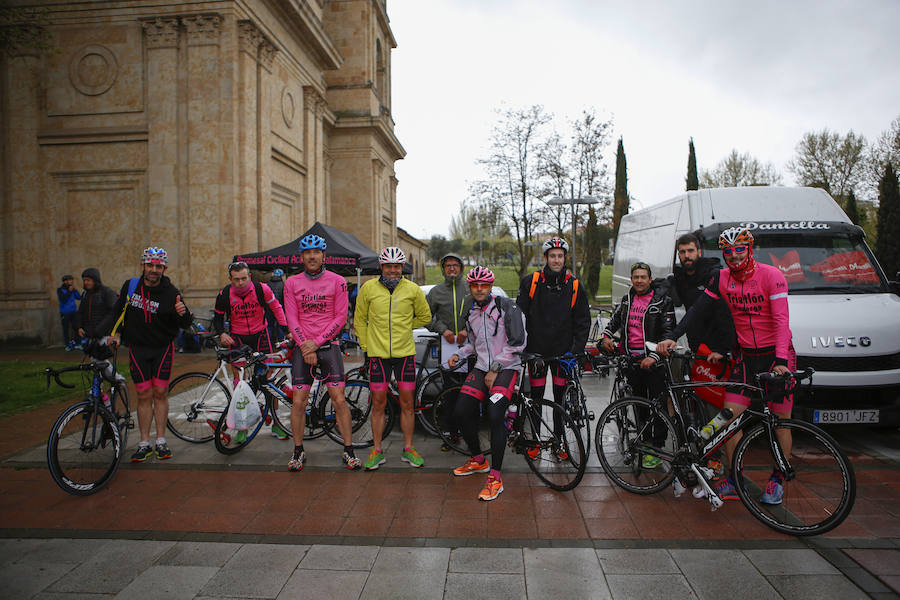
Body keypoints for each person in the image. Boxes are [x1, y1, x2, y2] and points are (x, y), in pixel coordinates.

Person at [658, 226, 795, 504]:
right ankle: (733, 478)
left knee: (780, 422)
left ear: (749, 249)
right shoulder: (721, 279)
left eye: (739, 250)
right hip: (746, 357)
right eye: (728, 252)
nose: (733, 256)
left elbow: (782, 321)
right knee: (727, 419)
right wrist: (672, 337)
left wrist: (781, 360)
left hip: (777, 356)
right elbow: (697, 311)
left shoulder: (772, 276)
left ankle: (778, 478)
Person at [104, 247, 192, 462]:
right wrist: (114, 334)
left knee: (160, 393)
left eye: (158, 266)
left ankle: (161, 441)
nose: (154, 270)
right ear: (143, 265)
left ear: (164, 268)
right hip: (138, 348)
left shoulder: (171, 292)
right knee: (143, 395)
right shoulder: (131, 286)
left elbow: (185, 323)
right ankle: (144, 442)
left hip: (163, 348)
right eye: (150, 265)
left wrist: (184, 313)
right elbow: (118, 312)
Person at [448, 267, 527, 501]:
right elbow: (475, 345)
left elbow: (518, 345)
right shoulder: (471, 312)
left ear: (491, 286)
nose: (480, 289)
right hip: (482, 367)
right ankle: (479, 460)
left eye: (484, 285)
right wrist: (460, 354)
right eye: (475, 285)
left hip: (507, 367)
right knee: (461, 412)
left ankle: (495, 477)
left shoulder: (507, 308)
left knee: (494, 415)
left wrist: (496, 368)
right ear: (470, 288)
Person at [282, 234, 360, 471]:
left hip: (328, 347)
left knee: (339, 400)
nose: (312, 256)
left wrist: (316, 343)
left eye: (316, 252)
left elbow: (340, 317)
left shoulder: (337, 281)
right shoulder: (291, 283)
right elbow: (291, 317)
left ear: (324, 256)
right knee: (298, 402)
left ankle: (349, 450)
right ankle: (298, 451)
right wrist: (306, 345)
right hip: (302, 347)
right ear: (302, 257)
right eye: (308, 253)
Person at [355, 246, 431, 470]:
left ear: (402, 267)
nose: (392, 270)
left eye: (397, 266)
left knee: (407, 403)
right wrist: (367, 345)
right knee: (378, 403)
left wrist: (405, 327)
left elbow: (425, 316)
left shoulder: (413, 289)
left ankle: (408, 448)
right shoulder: (368, 288)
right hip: (378, 355)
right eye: (388, 266)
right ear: (381, 266)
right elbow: (359, 319)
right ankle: (377, 451)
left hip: (404, 354)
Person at [600, 261, 676, 468]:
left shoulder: (662, 302)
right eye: (636, 277)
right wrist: (606, 336)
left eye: (643, 277)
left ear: (650, 279)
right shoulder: (627, 300)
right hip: (632, 362)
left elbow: (668, 333)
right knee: (639, 406)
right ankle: (644, 442)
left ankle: (657, 447)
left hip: (653, 363)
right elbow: (615, 321)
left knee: (657, 407)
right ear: (631, 280)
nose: (639, 281)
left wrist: (655, 357)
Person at [213, 261, 290, 439]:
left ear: (249, 276)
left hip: (261, 335)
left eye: (243, 279)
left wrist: (286, 330)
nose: (240, 283)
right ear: (230, 279)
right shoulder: (225, 294)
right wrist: (221, 334)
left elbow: (277, 308)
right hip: (238, 338)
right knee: (239, 383)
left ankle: (276, 423)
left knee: (269, 380)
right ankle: (242, 426)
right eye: (236, 279)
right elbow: (217, 318)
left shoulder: (261, 289)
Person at [515, 237, 590, 410]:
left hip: (563, 354)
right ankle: (535, 437)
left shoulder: (574, 286)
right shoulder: (531, 282)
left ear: (565, 258)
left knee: (560, 400)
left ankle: (559, 436)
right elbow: (519, 317)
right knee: (536, 399)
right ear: (546, 258)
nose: (556, 260)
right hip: (537, 353)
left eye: (560, 256)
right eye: (552, 256)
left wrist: (575, 351)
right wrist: (522, 349)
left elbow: (583, 321)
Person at [425, 252, 470, 450]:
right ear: (443, 269)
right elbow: (426, 317)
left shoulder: (471, 288)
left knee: (471, 393)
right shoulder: (435, 292)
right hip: (447, 348)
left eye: (455, 265)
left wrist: (467, 330)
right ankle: (452, 435)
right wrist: (443, 330)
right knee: (449, 394)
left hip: (472, 349)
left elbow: (482, 312)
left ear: (461, 268)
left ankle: (470, 435)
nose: (452, 268)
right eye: (448, 265)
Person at [669, 233, 734, 359]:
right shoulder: (679, 278)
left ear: (699, 252)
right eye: (682, 252)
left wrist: (723, 349)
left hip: (718, 348)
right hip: (695, 346)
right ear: (678, 255)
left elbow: (725, 314)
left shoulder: (713, 275)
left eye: (690, 250)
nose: (687, 255)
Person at [76, 268, 118, 341]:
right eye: (84, 280)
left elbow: (113, 313)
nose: (85, 282)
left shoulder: (107, 292)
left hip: (105, 336)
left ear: (95, 280)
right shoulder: (85, 294)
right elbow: (81, 312)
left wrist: (100, 328)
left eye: (88, 280)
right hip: (89, 335)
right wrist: (79, 327)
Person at [57, 275, 82, 350]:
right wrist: (69, 291)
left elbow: (79, 297)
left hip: (73, 312)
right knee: (66, 329)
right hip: (65, 312)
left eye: (71, 280)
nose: (71, 282)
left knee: (76, 328)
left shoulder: (72, 289)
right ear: (65, 281)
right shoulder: (60, 290)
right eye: (69, 280)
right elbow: (63, 299)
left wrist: (75, 290)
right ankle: (67, 344)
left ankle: (78, 343)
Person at [267, 268, 286, 343]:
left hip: (268, 309)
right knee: (281, 325)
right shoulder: (283, 285)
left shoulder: (267, 284)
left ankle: (269, 342)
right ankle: (281, 342)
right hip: (279, 309)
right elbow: (284, 298)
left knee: (269, 326)